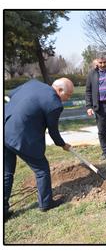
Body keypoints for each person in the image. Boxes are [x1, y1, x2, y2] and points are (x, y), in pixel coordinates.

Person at [4, 78, 74, 219]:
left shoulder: (33, 83)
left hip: (4, 128)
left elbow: (10, 95)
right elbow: (53, 131)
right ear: (60, 91)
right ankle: (46, 203)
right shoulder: (54, 103)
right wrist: (62, 144)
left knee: (6, 172)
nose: (68, 98)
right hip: (20, 136)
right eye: (69, 95)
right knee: (41, 169)